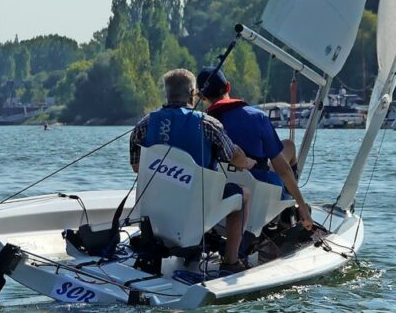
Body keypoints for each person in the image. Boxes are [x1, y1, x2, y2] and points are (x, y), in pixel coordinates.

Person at [129, 68, 256, 273]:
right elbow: (235, 158)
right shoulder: (208, 124)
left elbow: (137, 167)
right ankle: (231, 261)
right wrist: (248, 162)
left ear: (166, 93)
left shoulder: (144, 124)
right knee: (244, 194)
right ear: (193, 94)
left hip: (156, 206)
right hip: (196, 206)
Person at [197, 67, 314, 231]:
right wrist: (302, 204)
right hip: (261, 193)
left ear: (202, 97)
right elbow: (283, 169)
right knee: (289, 148)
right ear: (228, 87)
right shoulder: (256, 117)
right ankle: (288, 211)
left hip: (220, 194)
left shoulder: (202, 123)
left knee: (286, 145)